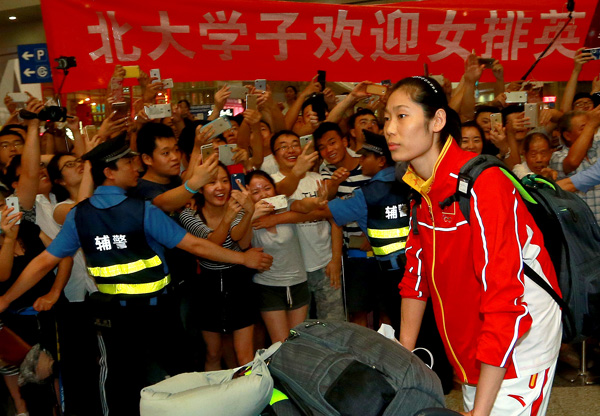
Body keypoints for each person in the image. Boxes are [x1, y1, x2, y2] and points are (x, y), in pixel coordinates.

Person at [0, 135, 273, 416]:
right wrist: (243, 257)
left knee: (119, 383)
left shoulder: (80, 215)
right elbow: (193, 244)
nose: (136, 168)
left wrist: (6, 299)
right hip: (159, 313)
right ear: (109, 173)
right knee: (184, 377)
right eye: (127, 163)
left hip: (114, 319)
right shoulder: (142, 210)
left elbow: (45, 261)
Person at [384, 76, 561, 416]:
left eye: (402, 116)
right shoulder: (422, 190)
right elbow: (416, 276)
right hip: (473, 340)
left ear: (436, 121)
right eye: (387, 118)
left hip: (521, 337)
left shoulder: (484, 184)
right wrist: (403, 360)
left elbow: (504, 298)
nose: (390, 128)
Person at [178, 163, 256, 370]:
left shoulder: (237, 209)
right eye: (211, 182)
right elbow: (211, 245)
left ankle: (251, 399)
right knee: (213, 352)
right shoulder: (189, 215)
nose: (220, 187)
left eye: (224, 181)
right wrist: (228, 218)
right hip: (206, 286)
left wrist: (249, 213)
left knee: (245, 354)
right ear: (200, 188)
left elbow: (243, 242)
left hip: (239, 282)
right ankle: (216, 397)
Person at [246, 170, 309, 344]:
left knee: (299, 342)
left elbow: (309, 209)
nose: (263, 195)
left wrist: (319, 199)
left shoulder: (285, 206)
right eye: (255, 192)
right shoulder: (245, 217)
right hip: (268, 286)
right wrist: (251, 215)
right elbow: (240, 242)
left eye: (267, 188)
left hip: (298, 281)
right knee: (280, 344)